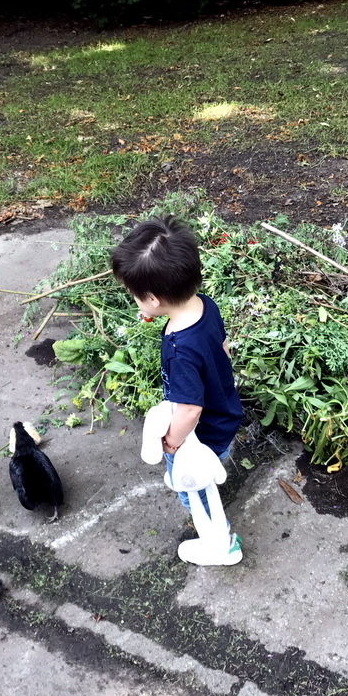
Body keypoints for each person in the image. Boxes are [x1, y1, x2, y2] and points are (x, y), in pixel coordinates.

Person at [111, 215, 243, 566]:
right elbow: (224, 349)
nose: (136, 303)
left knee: (195, 489)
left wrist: (171, 444)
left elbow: (189, 410)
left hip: (201, 435)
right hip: (225, 410)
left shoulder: (180, 349)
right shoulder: (205, 306)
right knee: (204, 477)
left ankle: (220, 546)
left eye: (135, 297)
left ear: (153, 299)